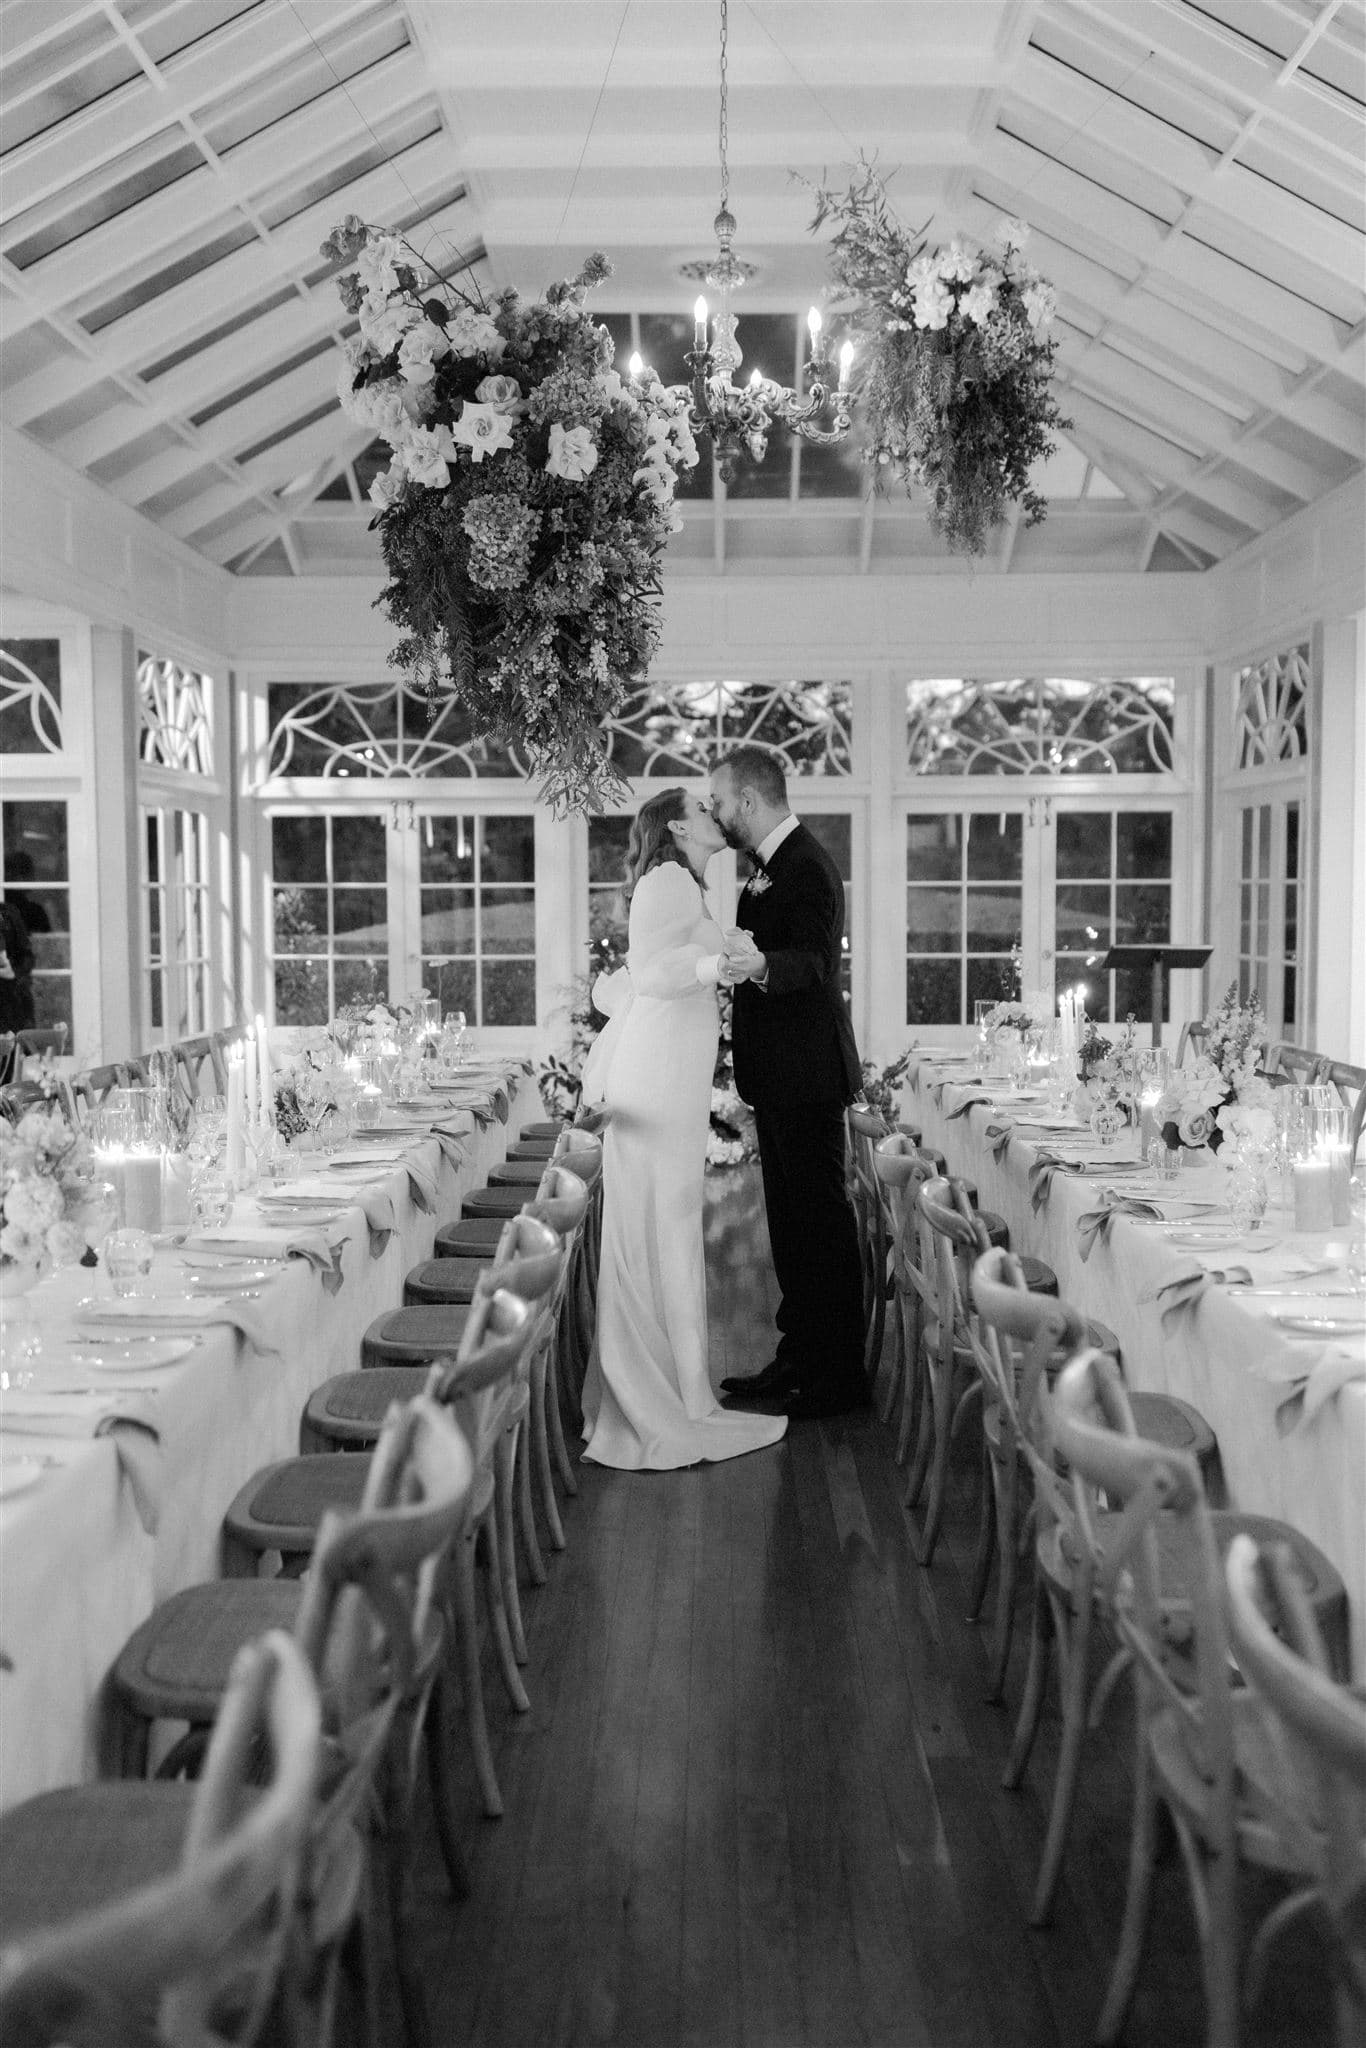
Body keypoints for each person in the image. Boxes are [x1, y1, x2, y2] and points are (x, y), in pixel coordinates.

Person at [578, 786, 788, 1470]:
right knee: (660, 1223)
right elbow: (654, 970)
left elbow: (675, 959)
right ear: (676, 824)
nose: (716, 815)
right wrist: (710, 965)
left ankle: (684, 1390)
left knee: (669, 1223)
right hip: (657, 1080)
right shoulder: (666, 878)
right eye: (704, 808)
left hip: (669, 1076)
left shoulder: (686, 882)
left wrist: (732, 946)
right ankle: (661, 1399)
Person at [708, 744, 866, 1419]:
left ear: (749, 799)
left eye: (719, 801)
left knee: (820, 1227)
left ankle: (837, 1381)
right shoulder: (770, 866)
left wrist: (759, 965)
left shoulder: (806, 865)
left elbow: (812, 962)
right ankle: (797, 1356)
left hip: (807, 1073)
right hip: (782, 1075)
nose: (715, 813)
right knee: (793, 1228)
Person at [0, 894, 35, 1033]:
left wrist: (13, 973)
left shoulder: (9, 913)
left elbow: (27, 956)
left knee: (17, 1048)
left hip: (11, 1001)